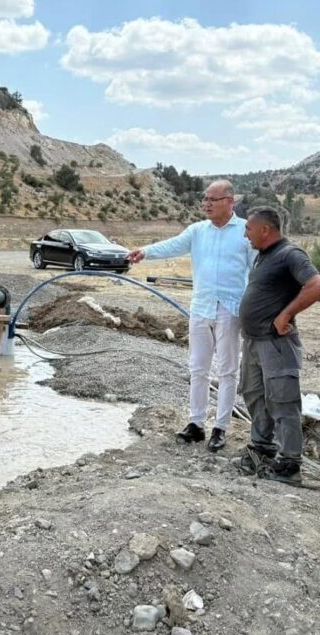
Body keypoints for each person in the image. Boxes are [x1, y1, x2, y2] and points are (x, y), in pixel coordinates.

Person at [126, 180, 254, 451]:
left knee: (229, 371)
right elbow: (172, 245)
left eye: (213, 199)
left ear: (230, 201)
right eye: (204, 199)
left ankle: (221, 428)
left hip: (230, 309)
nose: (206, 204)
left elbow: (257, 268)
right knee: (198, 368)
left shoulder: (246, 232)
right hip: (201, 307)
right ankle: (196, 423)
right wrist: (145, 252)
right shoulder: (197, 231)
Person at [237, 206, 320, 485]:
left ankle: (289, 464)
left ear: (265, 229)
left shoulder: (290, 254)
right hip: (254, 342)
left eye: (249, 229)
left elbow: (316, 286)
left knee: (283, 401)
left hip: (276, 344)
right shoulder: (262, 257)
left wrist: (286, 314)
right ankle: (262, 449)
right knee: (254, 394)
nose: (245, 234)